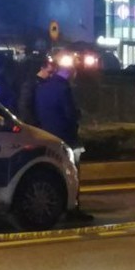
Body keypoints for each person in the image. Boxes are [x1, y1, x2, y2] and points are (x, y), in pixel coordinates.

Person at [34, 56, 94, 222]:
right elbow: (70, 114)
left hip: (48, 136)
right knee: (73, 173)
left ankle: (59, 207)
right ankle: (73, 208)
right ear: (70, 72)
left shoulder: (42, 87)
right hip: (67, 138)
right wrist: (78, 114)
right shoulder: (64, 89)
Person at [17, 53, 54, 126]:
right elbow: (24, 105)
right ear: (42, 68)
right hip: (34, 123)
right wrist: (32, 122)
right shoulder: (30, 84)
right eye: (49, 72)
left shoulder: (46, 82)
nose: (51, 75)